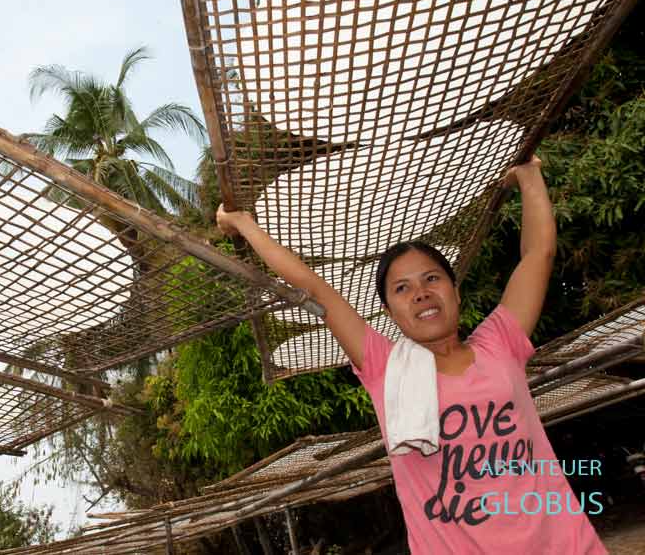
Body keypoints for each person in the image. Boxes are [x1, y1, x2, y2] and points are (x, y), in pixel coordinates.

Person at [216, 156, 607, 554]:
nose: (421, 293)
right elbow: (315, 289)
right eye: (402, 288)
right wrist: (245, 224)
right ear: (389, 312)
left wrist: (528, 174)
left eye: (432, 278)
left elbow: (538, 253)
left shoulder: (500, 343)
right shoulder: (386, 368)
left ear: (455, 292)